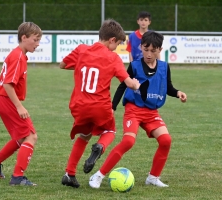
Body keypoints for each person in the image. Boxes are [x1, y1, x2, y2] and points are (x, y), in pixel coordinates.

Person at [89, 31, 187, 188]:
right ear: (141, 47)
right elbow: (123, 85)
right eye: (145, 49)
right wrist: (112, 107)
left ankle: (153, 177)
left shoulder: (164, 67)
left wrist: (178, 93)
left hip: (151, 112)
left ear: (160, 50)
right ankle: (98, 175)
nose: (148, 54)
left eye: (153, 51)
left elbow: (167, 87)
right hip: (133, 109)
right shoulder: (134, 66)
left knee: (166, 140)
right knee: (128, 141)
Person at [60, 19, 141, 188]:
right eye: (117, 44)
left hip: (79, 105)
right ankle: (100, 147)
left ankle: (69, 174)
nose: (117, 47)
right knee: (110, 130)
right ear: (111, 40)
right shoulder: (113, 58)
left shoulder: (82, 50)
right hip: (100, 106)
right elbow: (128, 83)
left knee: (84, 135)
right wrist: (136, 83)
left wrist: (79, 65)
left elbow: (63, 64)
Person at [0, 22, 42, 186]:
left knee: (21, 137)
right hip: (6, 99)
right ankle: (17, 177)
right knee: (31, 136)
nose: (38, 44)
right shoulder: (17, 56)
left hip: (2, 100)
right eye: (35, 40)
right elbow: (8, 84)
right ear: (24, 37)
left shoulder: (19, 55)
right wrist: (19, 106)